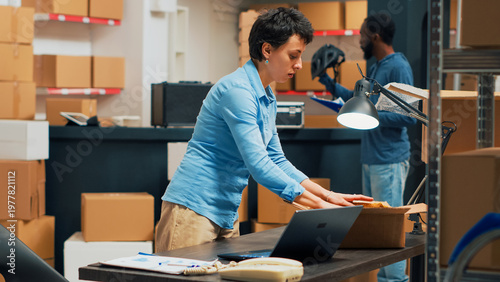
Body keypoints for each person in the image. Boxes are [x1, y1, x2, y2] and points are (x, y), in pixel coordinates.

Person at [155, 7, 372, 253]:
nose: (300, 65)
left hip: (226, 210)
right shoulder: (237, 91)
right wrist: (319, 206)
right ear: (267, 50)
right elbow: (259, 164)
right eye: (293, 56)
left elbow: (277, 160)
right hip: (193, 208)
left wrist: (327, 195)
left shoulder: (266, 96)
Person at [318, 12, 416, 282]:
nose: (359, 40)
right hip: (372, 158)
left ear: (374, 35)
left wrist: (370, 116)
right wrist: (329, 83)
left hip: (389, 160)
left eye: (362, 34)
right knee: (377, 233)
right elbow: (358, 99)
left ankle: (395, 280)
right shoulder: (375, 67)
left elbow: (408, 116)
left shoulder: (398, 67)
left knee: (389, 235)